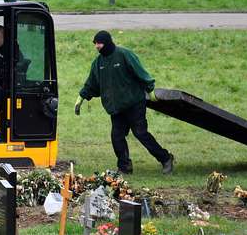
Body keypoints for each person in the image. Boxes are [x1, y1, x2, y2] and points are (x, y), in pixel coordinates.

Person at [75, 31, 174, 175]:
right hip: (116, 108)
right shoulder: (98, 63)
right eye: (95, 43)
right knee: (116, 136)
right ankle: (124, 167)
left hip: (134, 103)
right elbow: (92, 84)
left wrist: (150, 89)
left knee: (140, 133)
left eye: (99, 43)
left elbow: (140, 72)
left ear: (107, 42)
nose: (97, 46)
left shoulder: (124, 55)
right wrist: (81, 97)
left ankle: (166, 159)